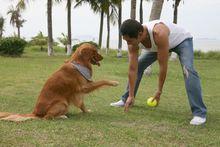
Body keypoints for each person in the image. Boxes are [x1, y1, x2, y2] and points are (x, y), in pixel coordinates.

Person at [110, 19, 207, 125]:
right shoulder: (132, 43)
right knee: (139, 65)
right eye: (126, 40)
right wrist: (131, 95)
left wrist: (159, 91)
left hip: (181, 41)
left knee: (188, 70)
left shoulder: (159, 33)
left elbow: (163, 66)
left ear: (140, 34)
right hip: (158, 46)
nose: (128, 44)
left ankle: (199, 113)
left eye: (129, 41)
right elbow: (133, 69)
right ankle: (126, 99)